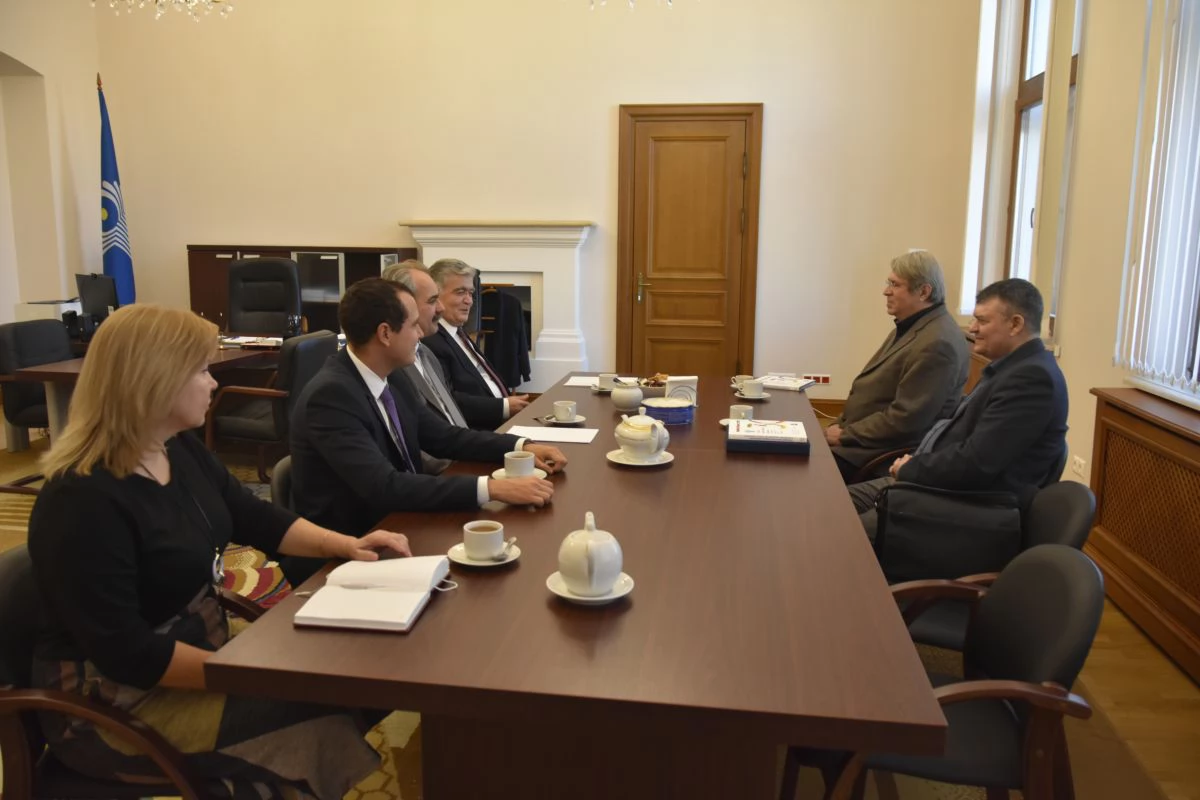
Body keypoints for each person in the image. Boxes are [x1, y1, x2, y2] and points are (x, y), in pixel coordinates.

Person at [27, 304, 412, 800]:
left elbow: (253, 516)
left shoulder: (176, 447)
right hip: (114, 702)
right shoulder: (80, 500)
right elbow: (126, 653)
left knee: (351, 676)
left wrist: (345, 545)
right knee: (315, 718)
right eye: (201, 370)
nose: (213, 383)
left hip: (200, 648)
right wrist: (245, 675)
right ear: (154, 380)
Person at [285, 278, 567, 585]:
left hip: (403, 523)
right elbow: (385, 486)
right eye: (413, 326)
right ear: (385, 333)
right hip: (352, 550)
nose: (421, 334)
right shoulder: (331, 397)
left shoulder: (392, 376)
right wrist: (493, 488)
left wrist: (521, 445)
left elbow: (444, 437)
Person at [848, 278, 1068, 540]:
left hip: (966, 510)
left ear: (1015, 324)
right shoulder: (1012, 368)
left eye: (982, 321)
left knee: (844, 535)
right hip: (938, 487)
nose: (972, 328)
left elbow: (977, 463)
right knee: (833, 503)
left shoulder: (1032, 379)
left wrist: (912, 469)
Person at [826, 250, 969, 482]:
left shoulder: (938, 342)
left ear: (923, 292)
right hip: (861, 440)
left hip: (878, 454)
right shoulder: (913, 326)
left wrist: (845, 435)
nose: (886, 291)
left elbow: (906, 419)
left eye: (895, 284)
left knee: (797, 470)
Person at [423, 258, 531, 426]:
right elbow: (447, 400)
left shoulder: (459, 333)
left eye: (471, 293)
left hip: (503, 421)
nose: (469, 301)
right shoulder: (431, 340)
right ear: (435, 296)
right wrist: (503, 407)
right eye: (460, 292)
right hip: (479, 431)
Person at [382, 259, 476, 430]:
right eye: (432, 300)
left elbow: (451, 425)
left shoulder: (426, 353)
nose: (441, 308)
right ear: (404, 304)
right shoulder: (390, 366)